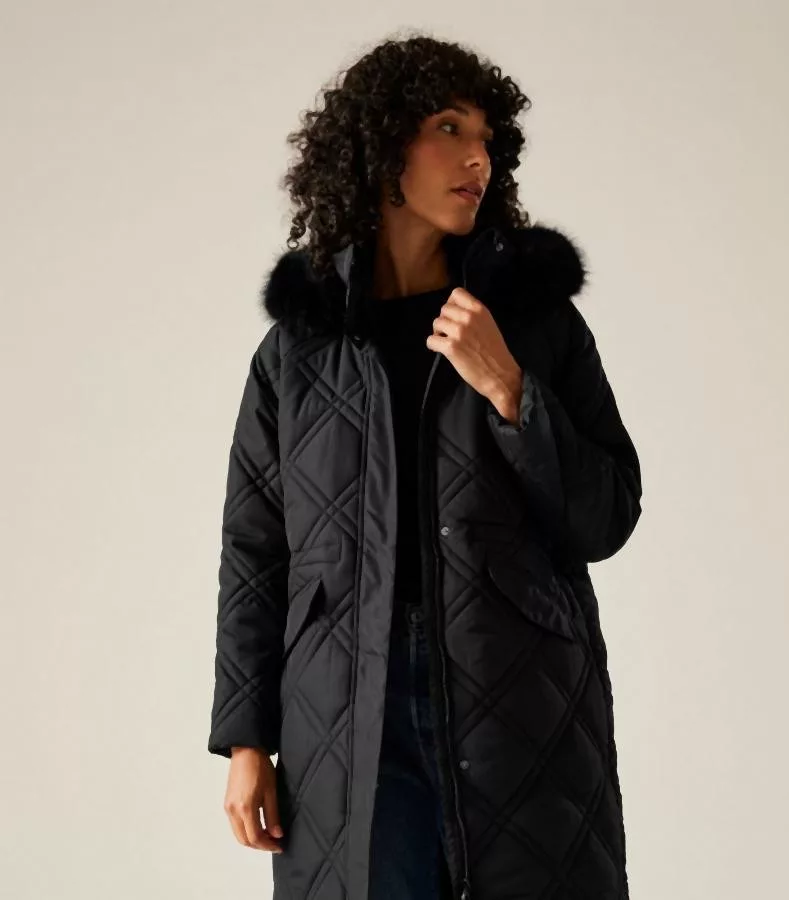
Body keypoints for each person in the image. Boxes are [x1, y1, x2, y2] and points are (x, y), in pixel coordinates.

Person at [207, 32, 642, 900]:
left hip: (516, 693)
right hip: (344, 707)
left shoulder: (535, 323)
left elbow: (607, 515)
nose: (477, 156)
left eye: (487, 138)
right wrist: (246, 740)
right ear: (381, 148)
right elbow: (256, 552)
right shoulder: (298, 352)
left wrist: (511, 389)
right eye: (449, 127)